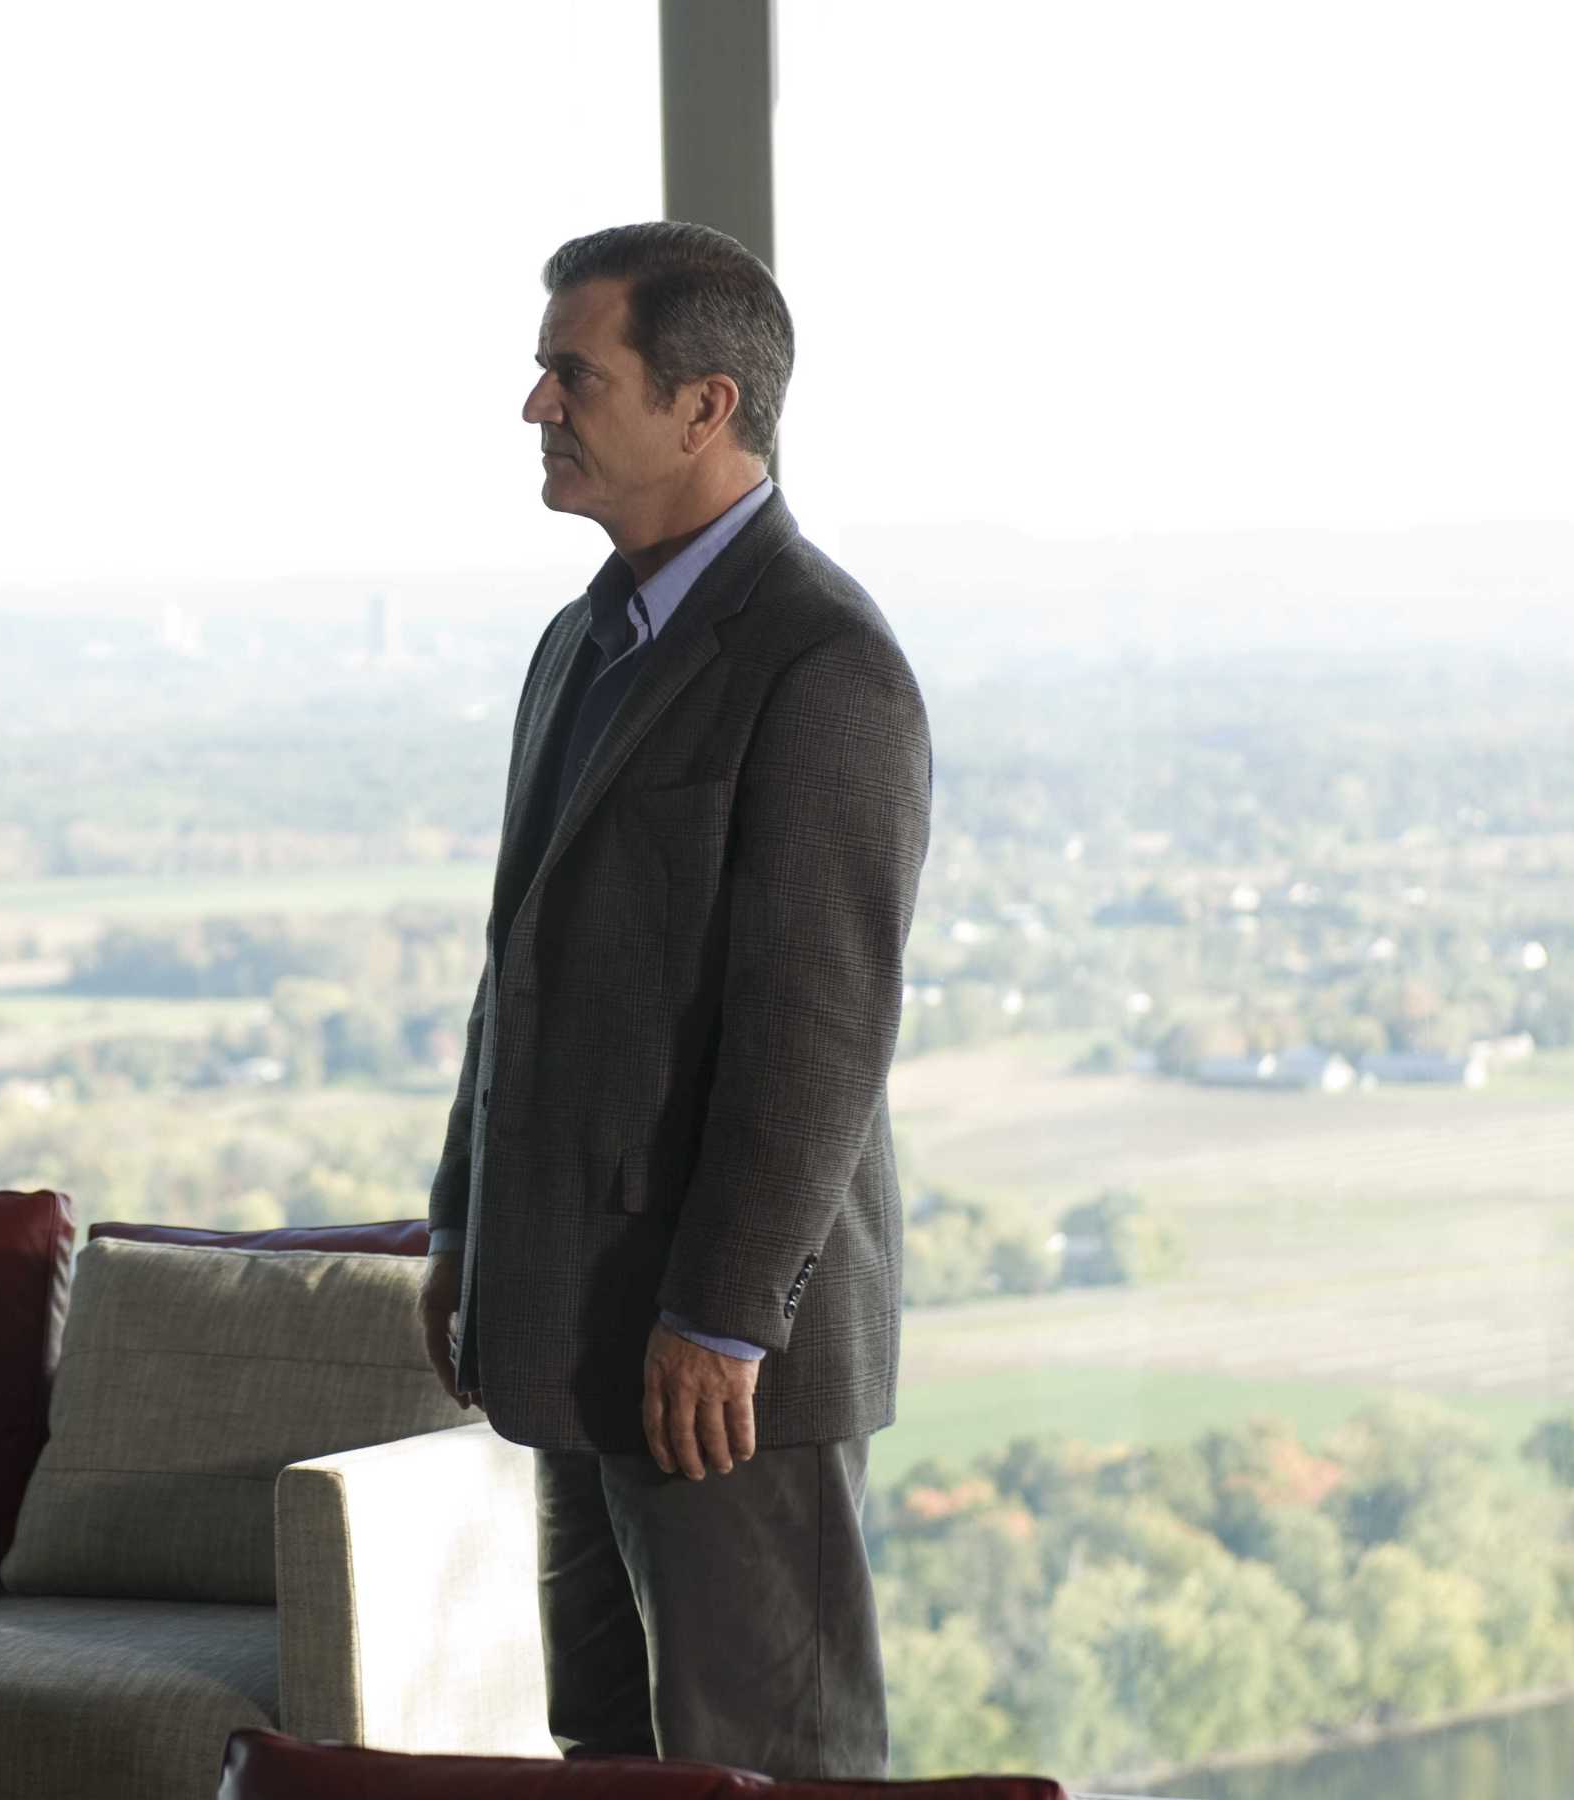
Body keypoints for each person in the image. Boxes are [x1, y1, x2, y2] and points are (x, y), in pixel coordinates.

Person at [418, 222, 931, 1780]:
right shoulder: (580, 641)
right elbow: (520, 973)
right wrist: (461, 1224)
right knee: (609, 1755)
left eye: (572, 376)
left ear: (704, 407)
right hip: (571, 1328)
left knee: (766, 1763)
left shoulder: (821, 662)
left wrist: (720, 1318)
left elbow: (816, 1039)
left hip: (723, 1370)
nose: (535, 407)